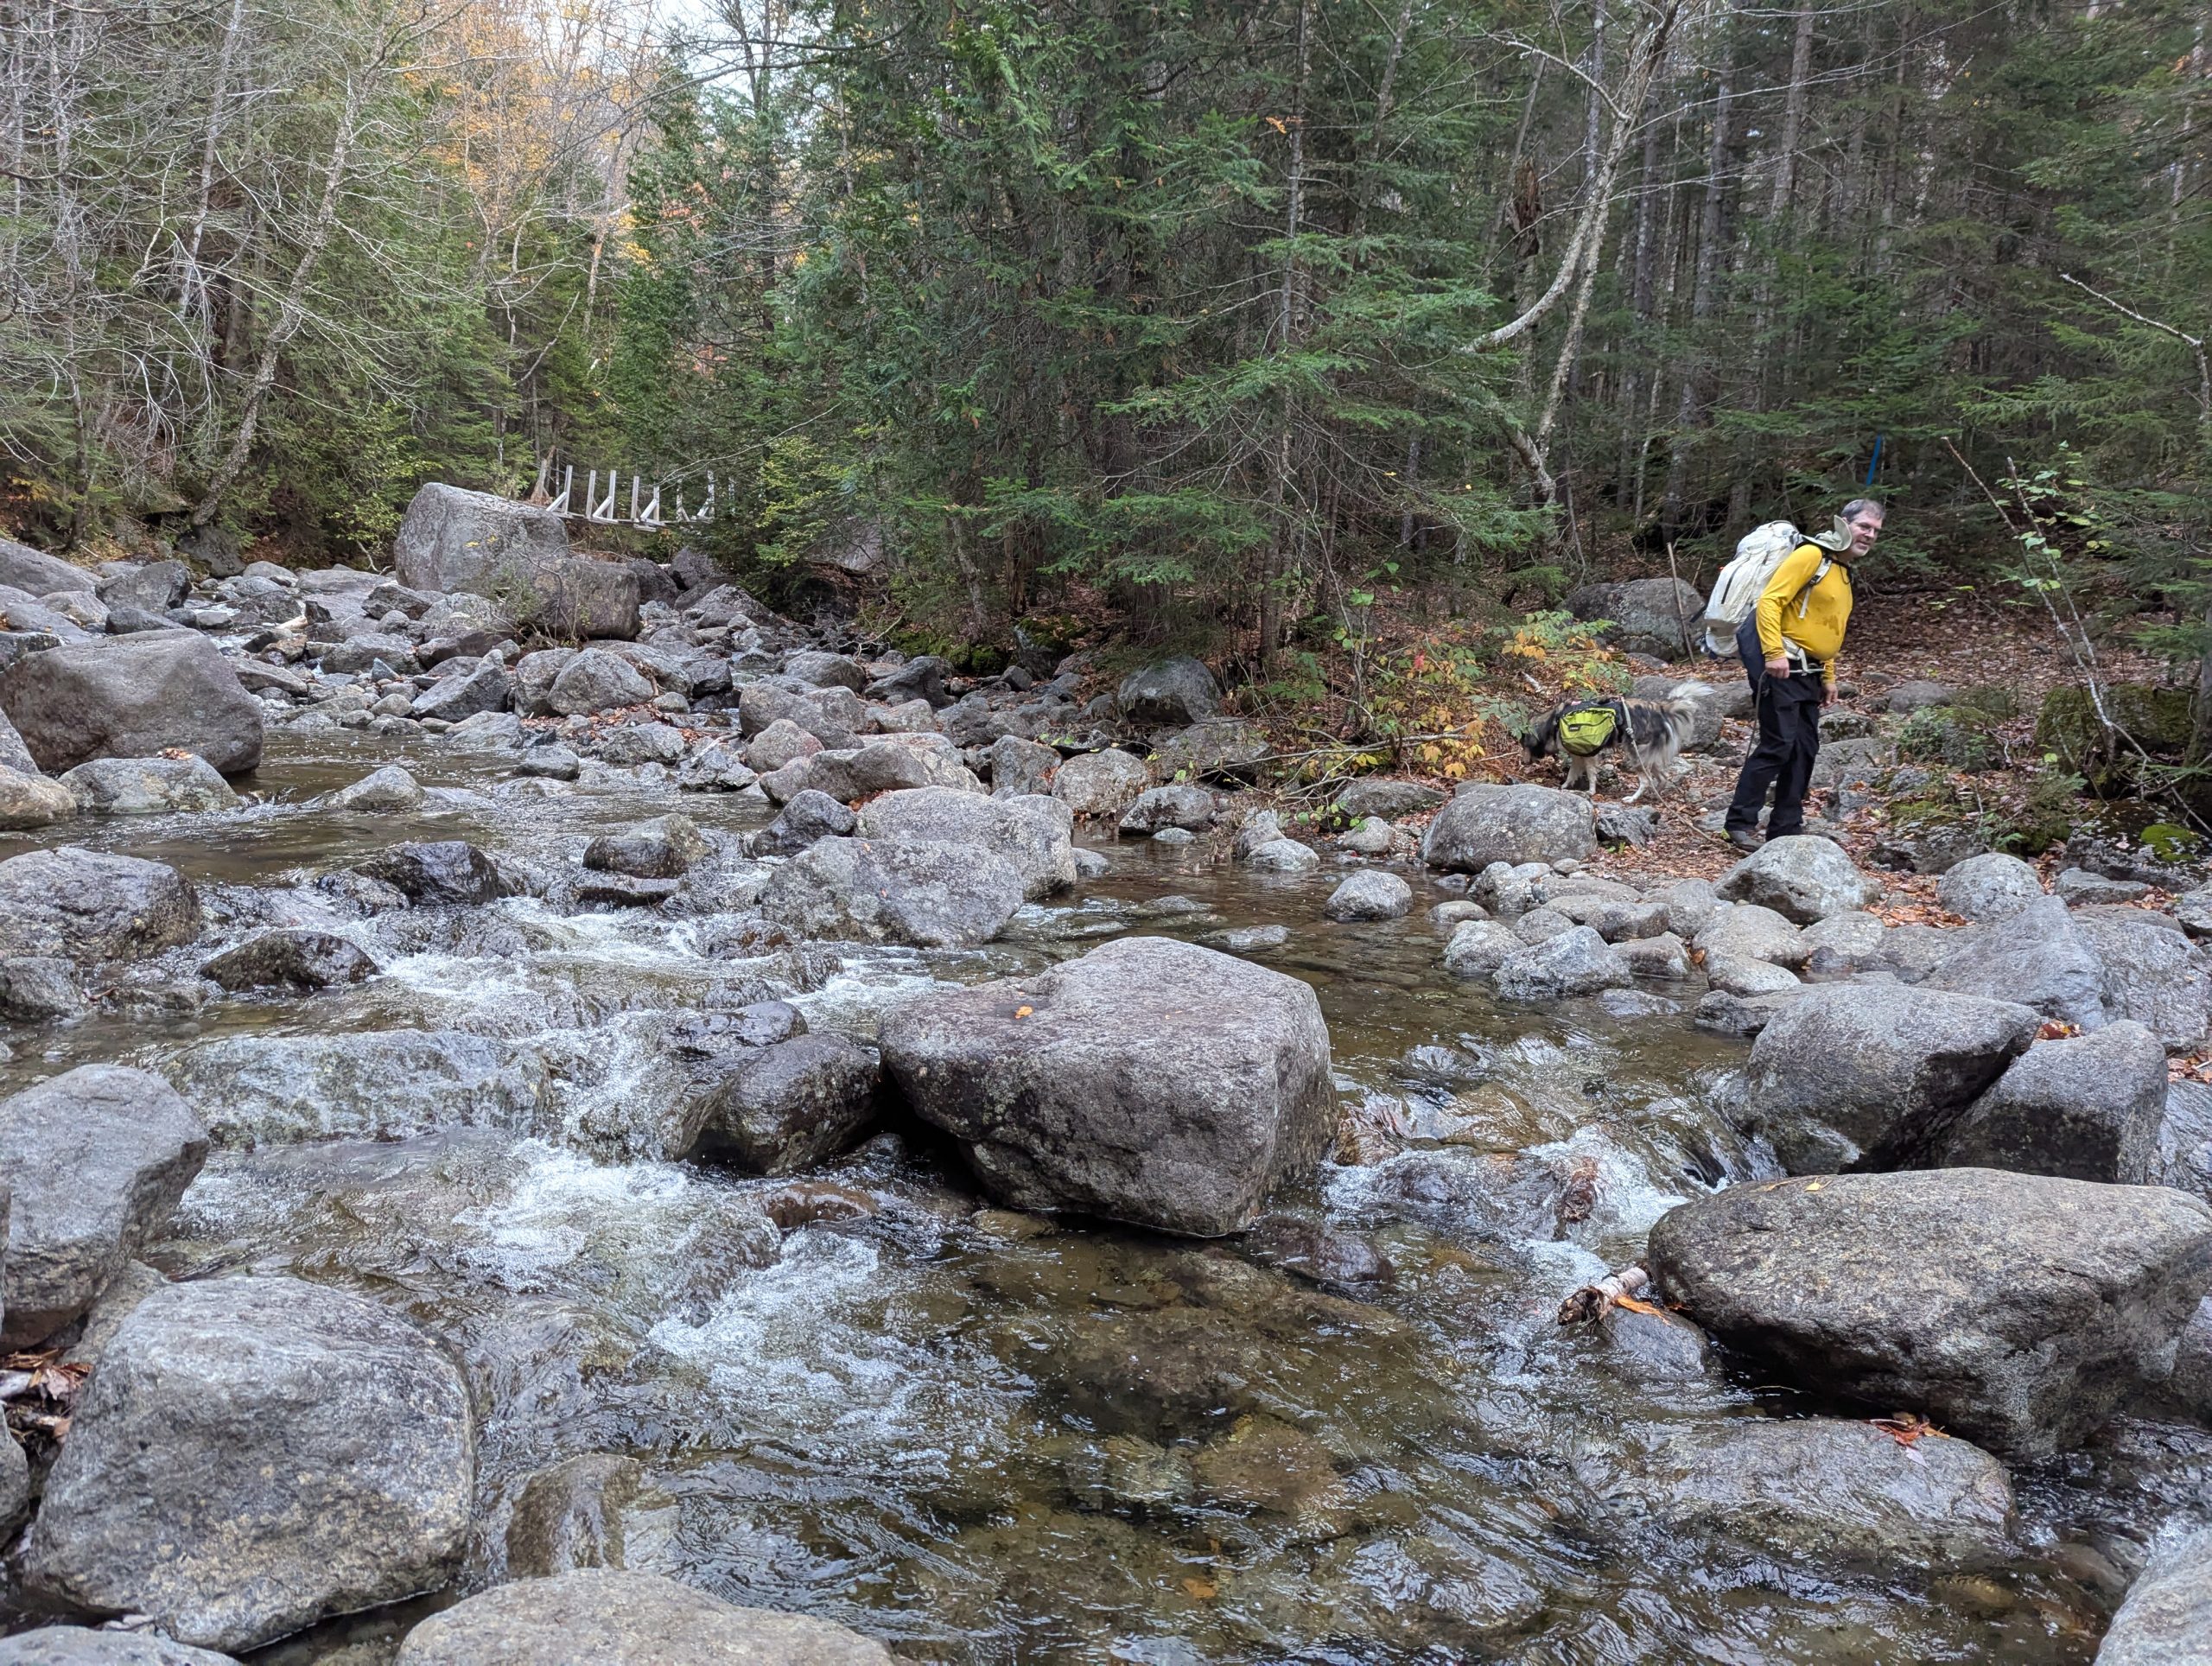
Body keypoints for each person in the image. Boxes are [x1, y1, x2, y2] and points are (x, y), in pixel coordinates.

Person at [1721, 499, 1885, 850]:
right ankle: (1739, 823)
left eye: (1875, 531)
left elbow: (1828, 627)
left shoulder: (1842, 570)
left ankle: (1786, 827)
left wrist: (1829, 676)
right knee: (1778, 743)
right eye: (1864, 527)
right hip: (1782, 665)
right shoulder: (1812, 555)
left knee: (1804, 749)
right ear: (1844, 523)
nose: (1870, 535)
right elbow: (1770, 601)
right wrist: (1773, 653)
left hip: (1810, 671)